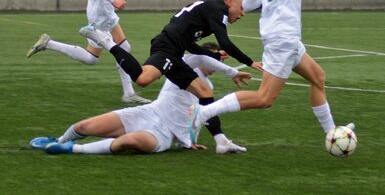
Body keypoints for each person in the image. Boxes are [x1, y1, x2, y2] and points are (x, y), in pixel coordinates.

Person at [189, 0, 378, 144]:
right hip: (283, 35)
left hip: (280, 34)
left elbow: (247, 4)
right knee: (264, 98)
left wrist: (222, 15)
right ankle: (205, 113)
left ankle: (331, 135)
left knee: (318, 77)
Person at [29, 43, 251, 155]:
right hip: (147, 113)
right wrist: (230, 70)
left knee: (129, 142)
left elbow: (197, 118)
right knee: (84, 126)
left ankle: (71, 149)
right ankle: (59, 140)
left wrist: (188, 143)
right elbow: (201, 57)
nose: (216, 63)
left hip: (162, 134)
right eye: (215, 57)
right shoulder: (187, 64)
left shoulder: (206, 88)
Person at [79, 0, 263, 103]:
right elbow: (225, 42)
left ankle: (220, 140)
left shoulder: (212, 10)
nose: (243, 14)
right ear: (229, 2)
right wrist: (249, 61)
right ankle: (106, 42)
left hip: (175, 51)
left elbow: (190, 45)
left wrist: (214, 56)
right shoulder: (218, 9)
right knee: (143, 79)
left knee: (204, 92)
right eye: (241, 8)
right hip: (167, 47)